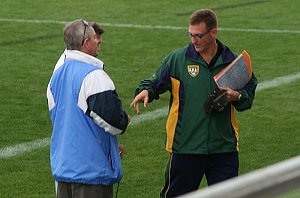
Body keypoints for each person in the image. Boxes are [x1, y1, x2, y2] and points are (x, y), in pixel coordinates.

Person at [130, 9, 257, 197]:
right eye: (190, 35)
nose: (193, 40)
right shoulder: (178, 60)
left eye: (198, 36)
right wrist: (146, 91)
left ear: (213, 33)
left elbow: (248, 95)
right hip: (185, 148)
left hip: (223, 148)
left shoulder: (233, 61)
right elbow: (154, 82)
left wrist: (236, 96)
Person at [47, 19, 130, 198]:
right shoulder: (94, 76)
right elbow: (114, 121)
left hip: (63, 169)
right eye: (95, 38)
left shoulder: (56, 75)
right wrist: (125, 120)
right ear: (86, 43)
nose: (98, 41)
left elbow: (59, 117)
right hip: (91, 174)